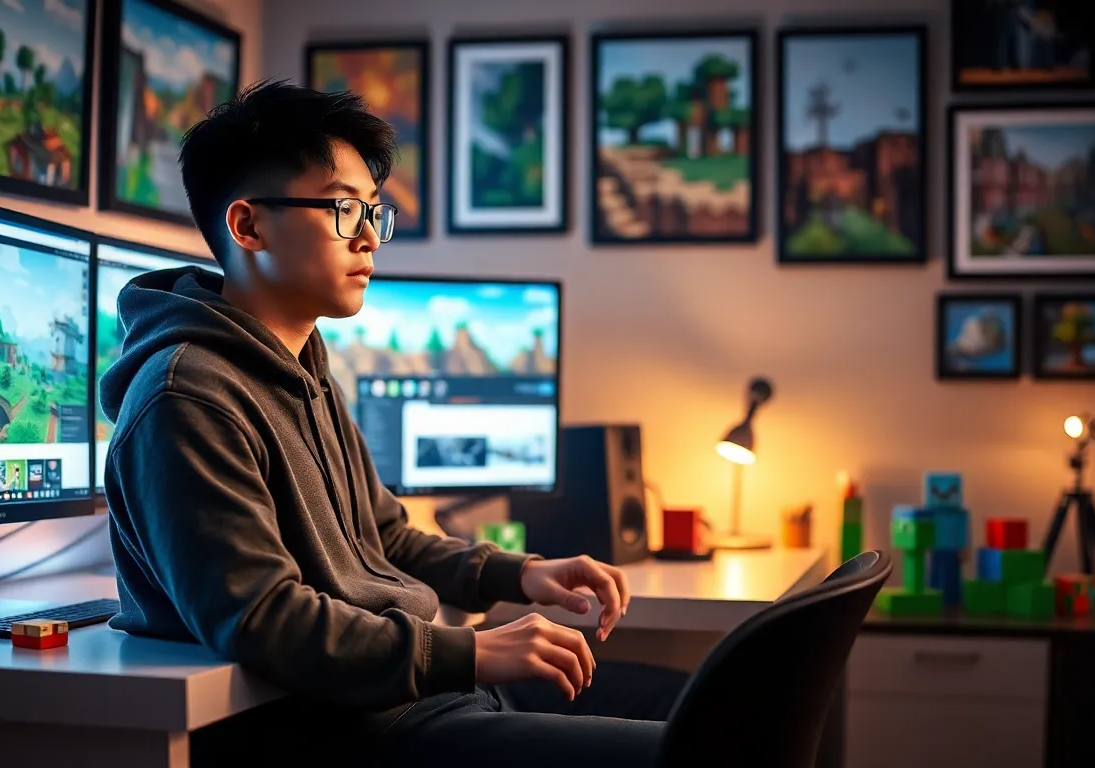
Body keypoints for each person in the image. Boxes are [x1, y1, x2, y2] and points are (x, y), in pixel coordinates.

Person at [98, 78, 688, 766]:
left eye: (374, 213)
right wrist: (471, 650)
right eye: (346, 210)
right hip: (359, 729)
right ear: (248, 225)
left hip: (420, 698)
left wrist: (521, 575)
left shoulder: (304, 367)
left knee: (720, 707)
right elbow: (263, 619)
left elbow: (384, 537)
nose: (370, 238)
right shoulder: (187, 399)